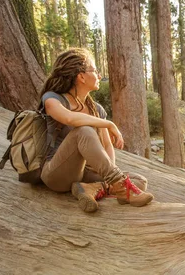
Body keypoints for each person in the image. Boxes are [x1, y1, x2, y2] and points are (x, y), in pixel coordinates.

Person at [39, 48, 153, 212]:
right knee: (83, 131)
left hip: (84, 174)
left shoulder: (96, 109)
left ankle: (89, 188)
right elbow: (70, 118)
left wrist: (110, 176)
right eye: (95, 70)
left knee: (139, 180)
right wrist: (109, 124)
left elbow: (107, 145)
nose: (99, 76)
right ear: (81, 76)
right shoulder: (52, 99)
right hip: (55, 173)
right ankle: (118, 187)